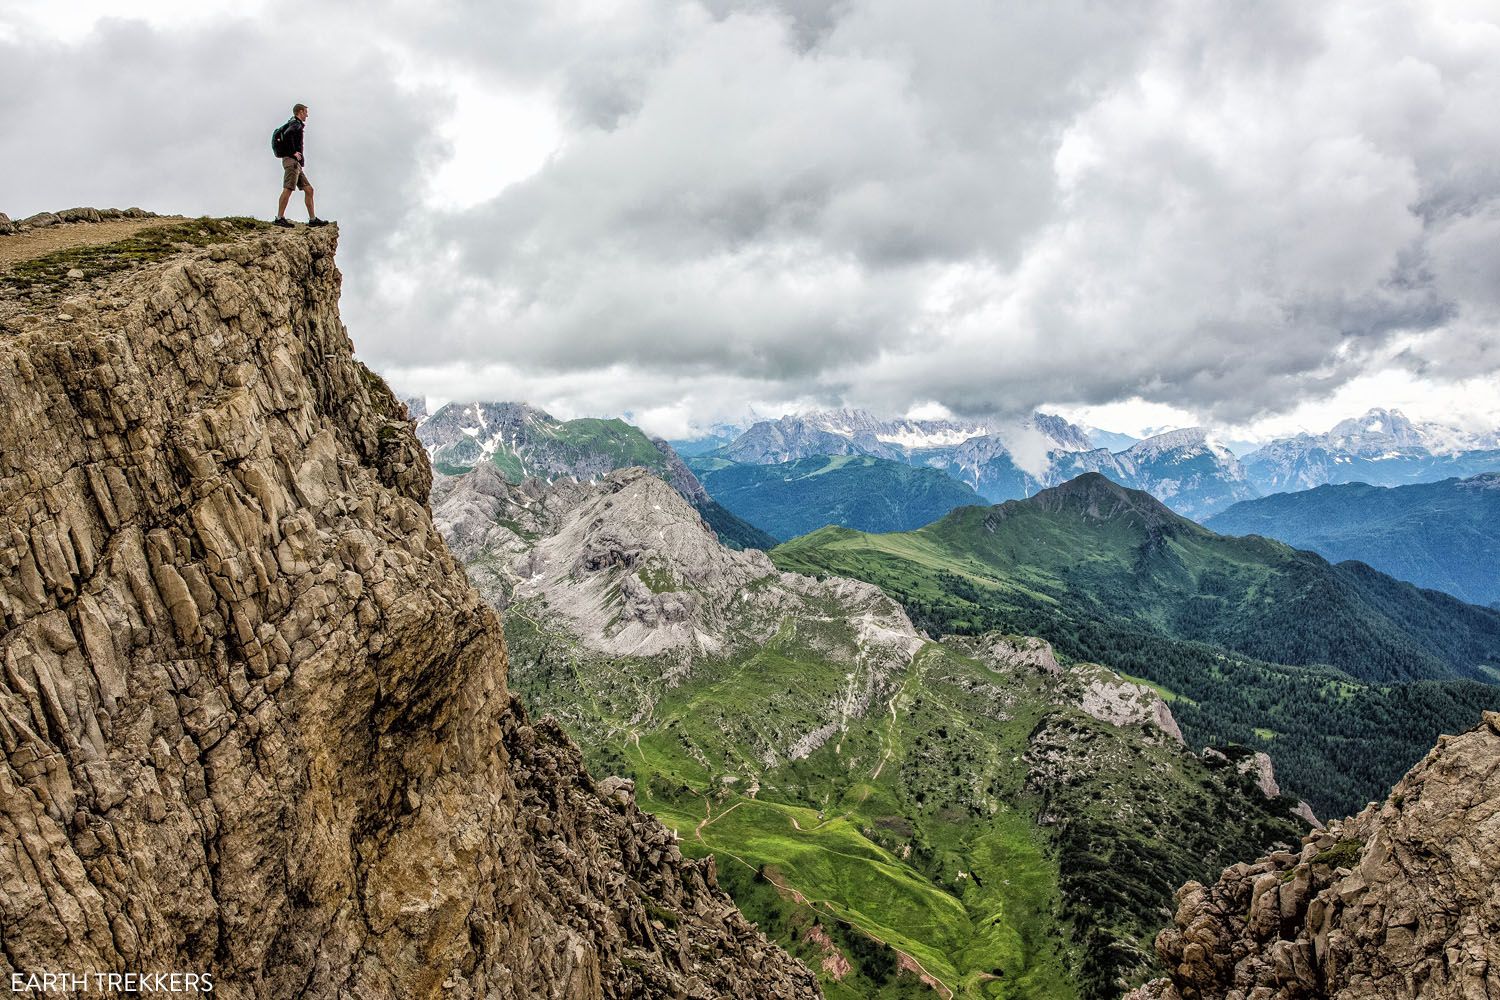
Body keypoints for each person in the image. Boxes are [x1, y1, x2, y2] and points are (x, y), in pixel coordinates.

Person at [273, 104, 329, 228]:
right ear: (300, 112)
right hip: (291, 162)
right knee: (288, 188)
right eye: (306, 112)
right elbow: (287, 135)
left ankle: (313, 219)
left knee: (309, 190)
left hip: (295, 163)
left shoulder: (294, 123)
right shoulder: (295, 124)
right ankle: (279, 218)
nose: (307, 115)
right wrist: (293, 152)